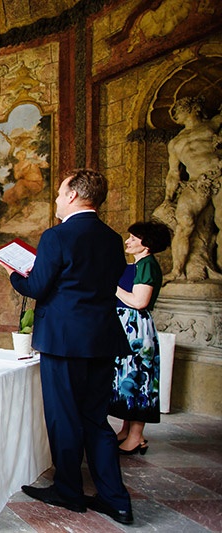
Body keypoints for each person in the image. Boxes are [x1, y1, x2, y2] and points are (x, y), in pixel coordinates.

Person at [4, 169, 134, 525]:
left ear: (75, 195)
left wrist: (14, 273)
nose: (58, 199)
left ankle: (69, 491)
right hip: (102, 339)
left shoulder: (57, 236)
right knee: (97, 420)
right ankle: (116, 500)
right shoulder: (111, 238)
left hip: (64, 340)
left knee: (64, 419)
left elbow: (39, 288)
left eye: (61, 193)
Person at [111, 221, 172, 455]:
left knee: (139, 380)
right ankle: (128, 431)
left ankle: (136, 437)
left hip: (136, 329)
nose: (128, 241)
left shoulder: (147, 265)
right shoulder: (139, 264)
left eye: (134, 238)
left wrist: (112, 286)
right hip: (128, 327)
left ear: (146, 244)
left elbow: (139, 301)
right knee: (129, 378)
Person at [155, 97, 222, 282]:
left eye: (179, 108)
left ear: (194, 108)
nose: (175, 113)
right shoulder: (176, 142)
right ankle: (177, 270)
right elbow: (173, 173)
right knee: (183, 223)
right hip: (195, 182)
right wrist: (168, 198)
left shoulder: (213, 124)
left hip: (219, 175)